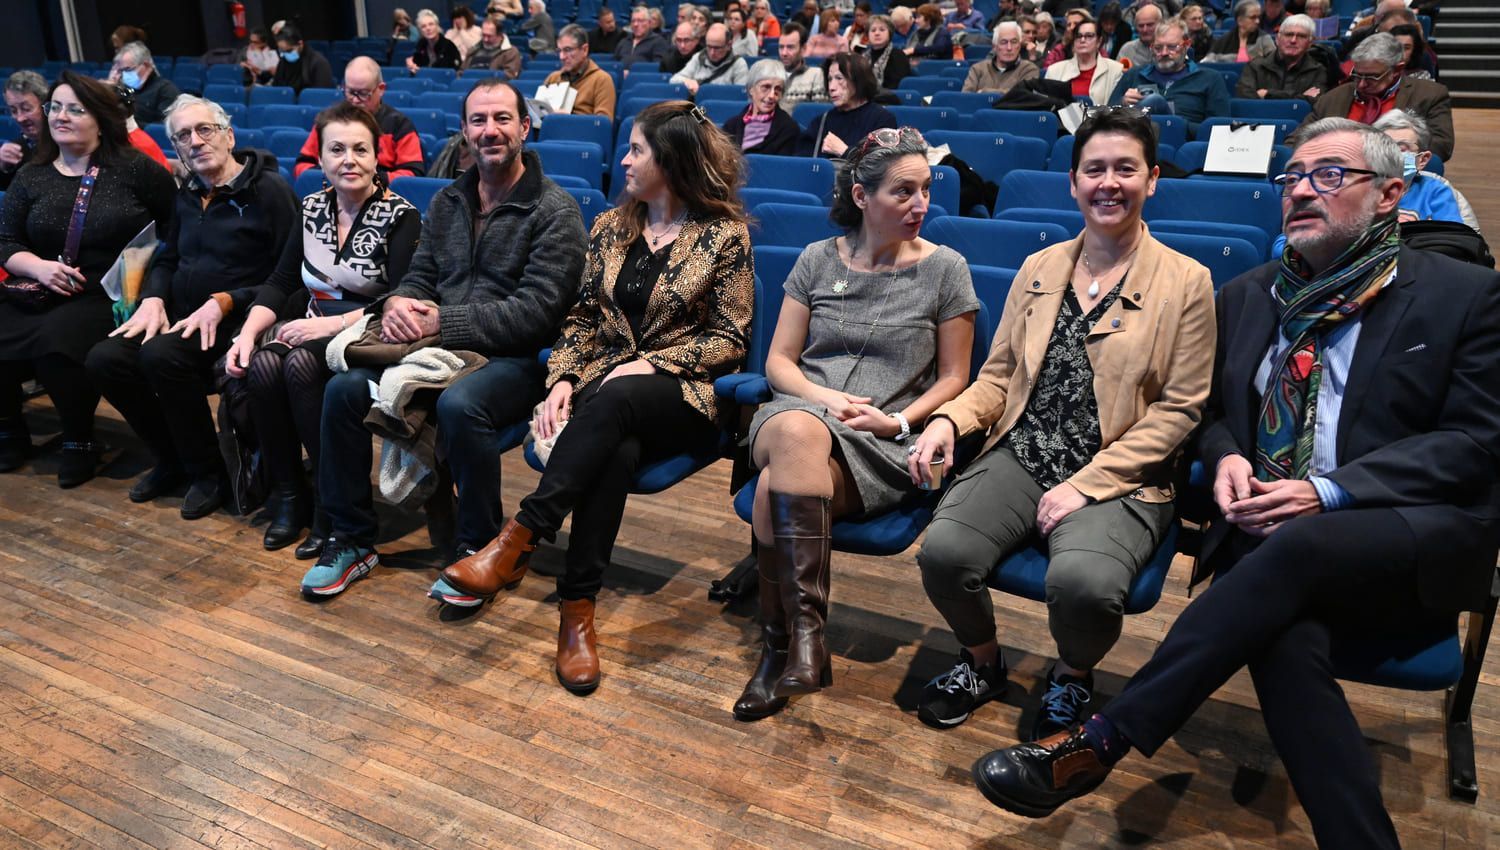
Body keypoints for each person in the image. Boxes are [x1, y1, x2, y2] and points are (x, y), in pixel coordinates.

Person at [969, 116, 1500, 850]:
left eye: (1330, 175)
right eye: (1293, 178)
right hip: (1272, 538)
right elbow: (1214, 411)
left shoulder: (1464, 296)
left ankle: (1104, 739)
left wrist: (1328, 492)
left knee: (1293, 553)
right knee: (1284, 641)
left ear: (1390, 195)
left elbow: (1476, 443)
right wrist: (1224, 456)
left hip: (1408, 529)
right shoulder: (1252, 294)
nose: (1302, 191)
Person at [910, 108, 1213, 737]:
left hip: (1120, 472)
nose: (1109, 183)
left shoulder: (1188, 282)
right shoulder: (1040, 268)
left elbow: (1181, 407)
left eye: (1125, 169)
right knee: (944, 552)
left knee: (1084, 585)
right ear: (1073, 182)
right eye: (1094, 169)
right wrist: (948, 420)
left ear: (1151, 180)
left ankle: (1073, 675)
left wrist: (1084, 485)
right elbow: (996, 379)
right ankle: (983, 662)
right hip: (1024, 450)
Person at [440, 101, 755, 694]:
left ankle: (520, 536)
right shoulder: (611, 226)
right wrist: (560, 377)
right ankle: (576, 611)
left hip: (685, 396)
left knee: (617, 402)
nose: (624, 159)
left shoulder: (724, 235)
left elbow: (729, 339)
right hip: (607, 396)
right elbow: (582, 318)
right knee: (614, 449)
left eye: (637, 149)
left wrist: (646, 362)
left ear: (673, 161)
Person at [300, 79, 586, 598]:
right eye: (478, 121)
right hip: (438, 350)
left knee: (460, 405)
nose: (490, 130)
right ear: (464, 132)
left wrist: (439, 322)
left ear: (525, 127)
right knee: (342, 391)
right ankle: (351, 539)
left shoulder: (554, 211)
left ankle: (477, 547)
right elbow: (419, 275)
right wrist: (400, 302)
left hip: (515, 360)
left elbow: (537, 315)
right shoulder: (449, 200)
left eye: (502, 119)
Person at [733, 126, 979, 720]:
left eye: (926, 190)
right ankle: (808, 639)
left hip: (882, 439)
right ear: (863, 196)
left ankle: (780, 648)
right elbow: (778, 363)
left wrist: (896, 420)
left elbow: (954, 379)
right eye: (903, 192)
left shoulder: (946, 269)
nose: (921, 205)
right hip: (799, 412)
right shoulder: (817, 258)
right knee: (796, 433)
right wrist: (823, 399)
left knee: (774, 489)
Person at [86, 94, 298, 518]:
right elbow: (167, 257)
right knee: (104, 359)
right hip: (185, 317)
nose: (196, 141)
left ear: (229, 135)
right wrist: (153, 299)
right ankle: (173, 459)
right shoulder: (187, 193)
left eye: (205, 130)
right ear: (177, 149)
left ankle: (210, 473)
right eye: (183, 136)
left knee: (161, 355)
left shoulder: (269, 192)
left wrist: (225, 301)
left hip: (243, 321)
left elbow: (291, 278)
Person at [224, 103, 421, 553]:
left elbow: (399, 298)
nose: (348, 159)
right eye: (337, 149)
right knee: (261, 367)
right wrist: (248, 335)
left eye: (359, 149)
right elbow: (280, 283)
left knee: (297, 366)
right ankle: (291, 494)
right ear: (321, 159)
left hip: (370, 334)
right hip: (314, 326)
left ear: (377, 158)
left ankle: (330, 507)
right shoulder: (311, 207)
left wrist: (329, 325)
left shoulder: (401, 215)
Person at [0, 73, 176, 487]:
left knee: (58, 338)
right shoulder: (33, 174)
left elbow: (173, 232)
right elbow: (5, 241)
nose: (61, 116)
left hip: (111, 291)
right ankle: (9, 426)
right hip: (42, 284)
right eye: (55, 107)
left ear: (100, 119)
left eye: (74, 109)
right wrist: (38, 267)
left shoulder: (137, 170)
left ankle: (79, 437)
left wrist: (154, 290)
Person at [1268, 108, 1477, 257]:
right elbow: (1282, 245)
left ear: (1422, 159)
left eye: (1401, 148)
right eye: (1386, 146)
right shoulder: (1351, 189)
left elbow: (1455, 246)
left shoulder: (1436, 190)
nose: (1392, 154)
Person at [1302, 33, 1455, 161]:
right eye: (1357, 75)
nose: (1361, 84)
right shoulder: (1334, 97)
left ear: (1397, 69)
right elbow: (1297, 138)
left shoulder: (1429, 95)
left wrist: (1383, 155)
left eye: (1371, 77)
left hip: (1395, 174)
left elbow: (1441, 146)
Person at [293, 58, 425, 180]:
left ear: (381, 89)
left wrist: (368, 180)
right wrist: (333, 177)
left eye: (363, 93)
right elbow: (302, 166)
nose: (355, 100)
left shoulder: (400, 125)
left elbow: (412, 174)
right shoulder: (328, 122)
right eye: (350, 92)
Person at [1109, 17, 1230, 138]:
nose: (1164, 53)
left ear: (1187, 45)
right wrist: (1123, 103)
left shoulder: (1209, 78)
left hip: (1183, 145)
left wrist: (1175, 124)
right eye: (1158, 48)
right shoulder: (1134, 74)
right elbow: (1105, 119)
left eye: (1172, 47)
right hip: (1134, 142)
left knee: (1155, 102)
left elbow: (1218, 132)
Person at [799, 53, 898, 158]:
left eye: (839, 78)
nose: (831, 87)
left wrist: (845, 151)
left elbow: (881, 166)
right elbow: (803, 165)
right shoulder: (821, 122)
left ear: (858, 80)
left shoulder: (883, 120)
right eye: (829, 79)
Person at [1237, 14, 1329, 105]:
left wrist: (1267, 94)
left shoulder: (1318, 71)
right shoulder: (1255, 67)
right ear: (1277, 39)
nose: (1293, 40)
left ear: (1310, 43)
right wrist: (1300, 97)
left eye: (1301, 36)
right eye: (1288, 34)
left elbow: (1316, 103)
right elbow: (1245, 100)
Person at [724, 60, 801, 154]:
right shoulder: (731, 126)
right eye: (766, 87)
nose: (772, 95)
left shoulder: (789, 128)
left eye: (778, 89)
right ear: (751, 89)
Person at [546, 25, 618, 117]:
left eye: (567, 50)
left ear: (584, 50)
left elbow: (602, 126)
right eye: (559, 51)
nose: (562, 57)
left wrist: (568, 118)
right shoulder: (553, 78)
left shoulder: (602, 80)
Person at [1045, 19, 1125, 103]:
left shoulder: (1116, 70)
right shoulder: (1054, 71)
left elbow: (1117, 106)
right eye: (1078, 36)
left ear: (1099, 41)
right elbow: (1047, 105)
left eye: (1089, 36)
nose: (1082, 40)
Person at [109, 42, 181, 127]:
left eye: (128, 69)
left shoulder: (166, 90)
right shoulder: (125, 89)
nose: (124, 75)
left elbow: (164, 130)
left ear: (146, 65)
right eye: (122, 71)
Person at [672, 23, 750, 94]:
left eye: (717, 48)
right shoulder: (699, 57)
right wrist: (687, 81)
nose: (712, 52)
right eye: (709, 47)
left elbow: (741, 94)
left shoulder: (739, 64)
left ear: (729, 45)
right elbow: (674, 80)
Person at [0, 71, 46, 192]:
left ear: (45, 105)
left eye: (26, 109)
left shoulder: (68, 143)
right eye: (14, 111)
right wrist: (3, 168)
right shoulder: (16, 150)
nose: (20, 118)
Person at [965, 22, 1041, 94]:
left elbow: (1024, 95)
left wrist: (984, 92)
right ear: (995, 47)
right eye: (1003, 42)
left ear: (1019, 46)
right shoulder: (977, 69)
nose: (1009, 48)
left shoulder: (1029, 69)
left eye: (1014, 42)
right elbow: (966, 98)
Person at [779, 24, 828, 112]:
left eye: (790, 47)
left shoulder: (816, 75)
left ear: (804, 48)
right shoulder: (770, 74)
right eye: (781, 47)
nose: (784, 53)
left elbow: (818, 114)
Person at [1206, 0, 1274, 63]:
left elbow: (1274, 64)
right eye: (1252, 18)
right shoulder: (1224, 40)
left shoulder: (1264, 39)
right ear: (1240, 21)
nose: (1257, 21)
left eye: (1258, 17)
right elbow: (1206, 62)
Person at [272, 26, 335, 92]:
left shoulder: (319, 62)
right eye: (282, 51)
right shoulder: (283, 62)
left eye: (289, 51)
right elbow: (276, 89)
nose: (285, 54)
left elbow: (321, 95)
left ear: (300, 44)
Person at [861, 16, 914, 92]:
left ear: (890, 33)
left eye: (882, 30)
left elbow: (896, 86)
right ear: (868, 35)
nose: (877, 33)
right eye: (873, 30)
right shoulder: (863, 57)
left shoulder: (899, 56)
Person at [613, 6, 670, 71]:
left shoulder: (659, 42)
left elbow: (657, 70)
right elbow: (614, 65)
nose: (635, 24)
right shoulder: (623, 42)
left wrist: (632, 74)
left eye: (640, 21)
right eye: (633, 21)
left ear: (649, 23)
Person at [1116, 1, 1161, 68]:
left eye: (1150, 25)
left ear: (1160, 24)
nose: (1144, 30)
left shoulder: (1170, 49)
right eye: (1141, 26)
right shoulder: (1127, 50)